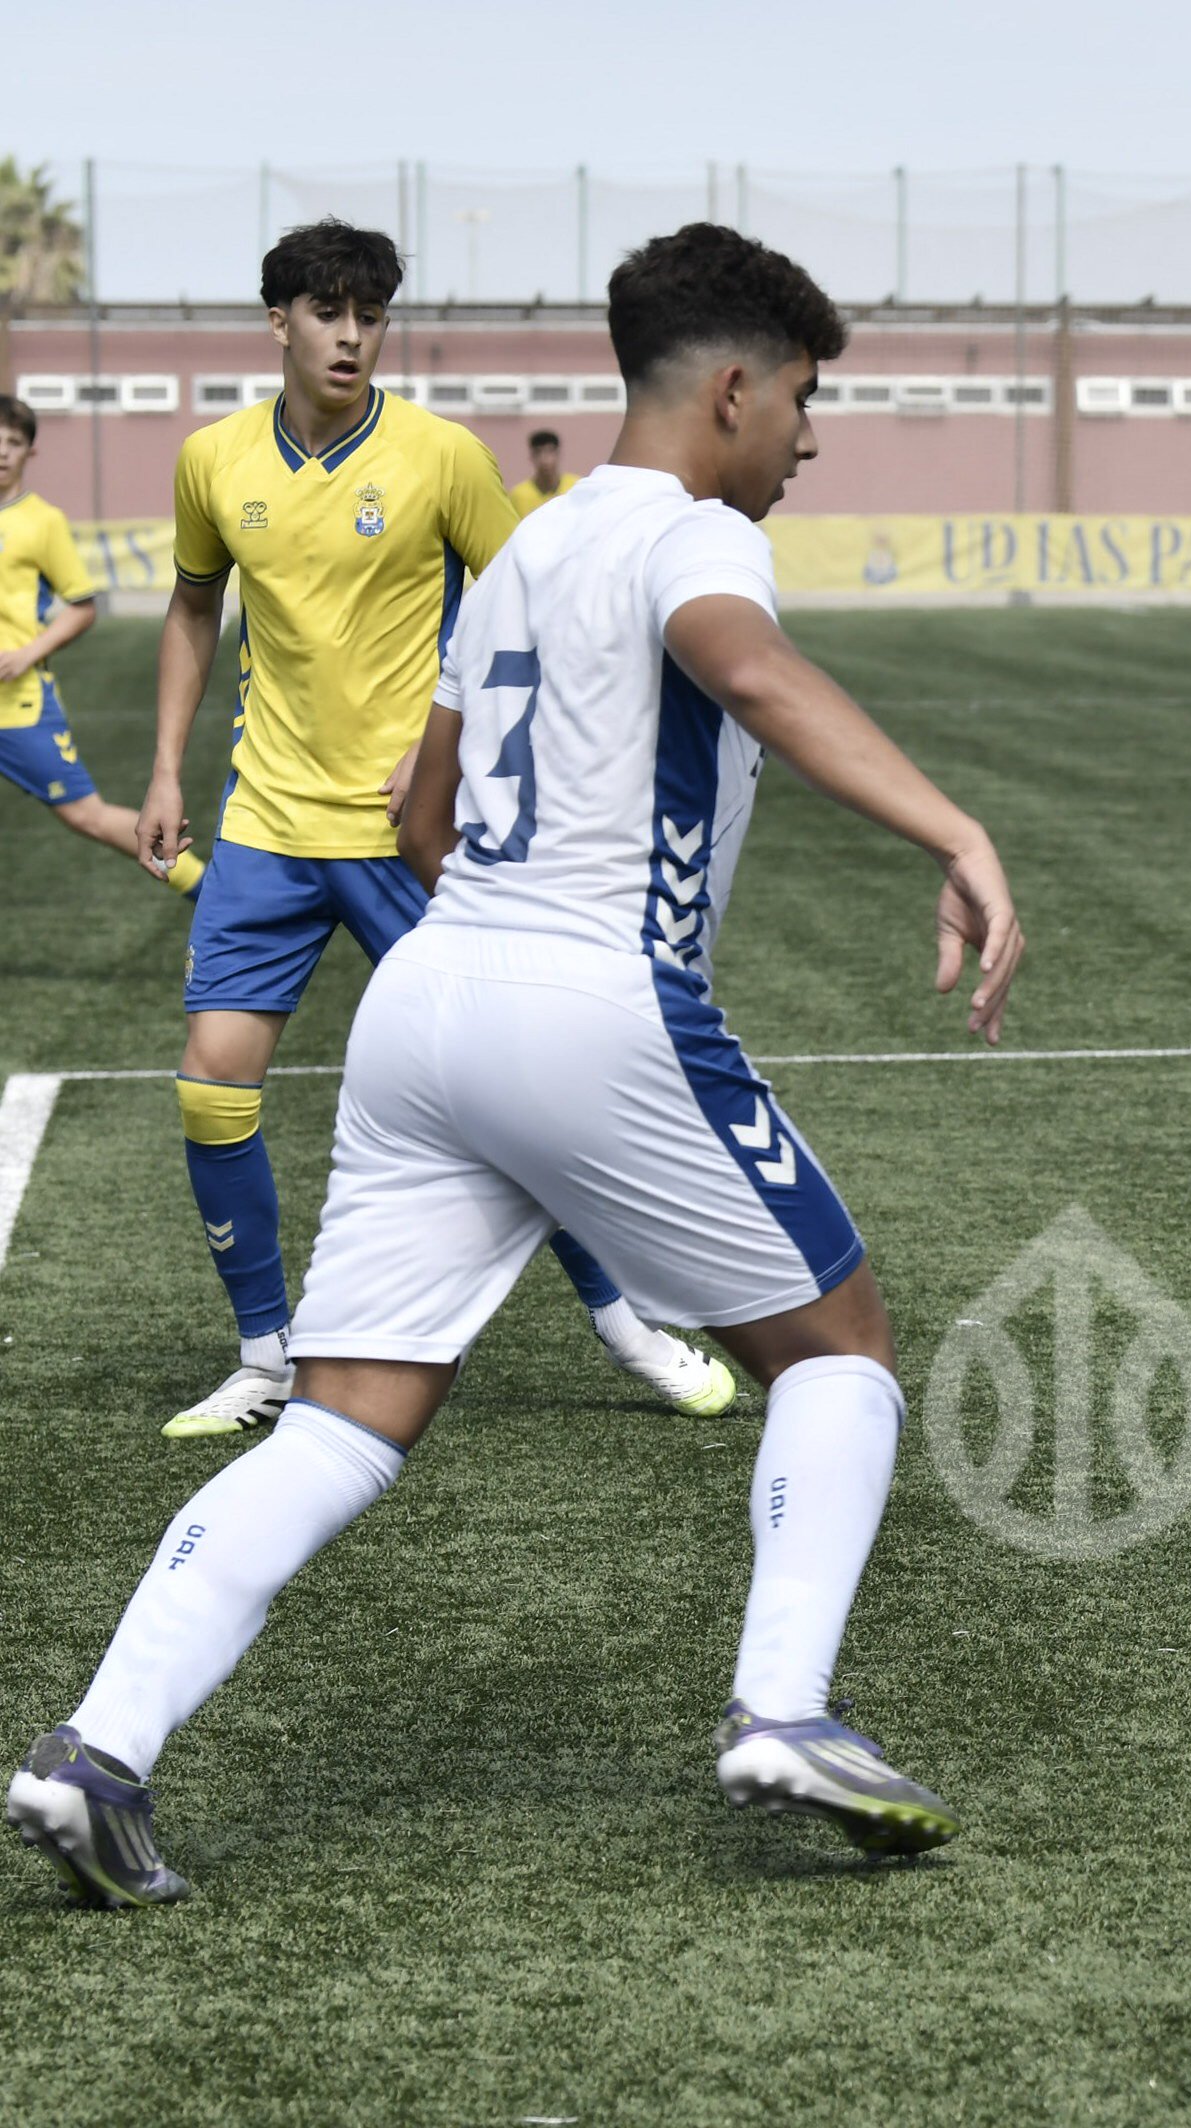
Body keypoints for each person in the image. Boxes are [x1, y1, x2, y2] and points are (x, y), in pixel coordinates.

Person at [6, 221, 1027, 1908]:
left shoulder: (530, 550)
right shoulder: (698, 538)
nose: (811, 440)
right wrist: (957, 826)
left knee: (345, 1413)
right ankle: (784, 1704)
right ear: (733, 388)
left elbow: (423, 810)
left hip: (428, 995)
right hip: (594, 992)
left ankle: (98, 1750)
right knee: (841, 1341)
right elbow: (748, 670)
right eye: (805, 403)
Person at [141, 219, 729, 1440]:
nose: (351, 335)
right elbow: (194, 610)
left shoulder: (442, 457)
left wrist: (444, 740)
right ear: (278, 323)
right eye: (326, 311)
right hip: (264, 820)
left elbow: (529, 608)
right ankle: (266, 1355)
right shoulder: (212, 460)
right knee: (212, 1089)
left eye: (369, 314)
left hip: (407, 833)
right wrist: (162, 771)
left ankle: (626, 1325)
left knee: (518, 1089)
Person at [0, 395, 200, 893]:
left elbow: (82, 606)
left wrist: (27, 653)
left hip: (17, 706)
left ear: (30, 453)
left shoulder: (41, 521)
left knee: (87, 816)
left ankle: (208, 891)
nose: (2, 451)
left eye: (13, 442)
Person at [506, 428, 576, 514]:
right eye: (538, 452)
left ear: (558, 454)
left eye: (549, 451)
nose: (544, 459)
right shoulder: (518, 495)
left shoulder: (575, 487)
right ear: (531, 457)